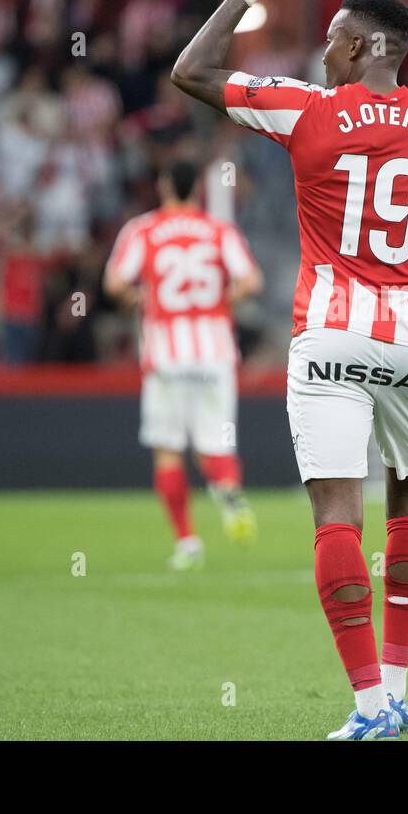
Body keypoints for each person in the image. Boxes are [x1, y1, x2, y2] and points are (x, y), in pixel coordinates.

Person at [170, 0, 408, 739]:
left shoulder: (306, 110)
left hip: (333, 337)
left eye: (334, 41)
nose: (324, 53)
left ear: (358, 50)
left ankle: (371, 704)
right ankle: (401, 692)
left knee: (337, 515)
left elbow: (191, 71)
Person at [104, 161, 263, 569]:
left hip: (166, 353)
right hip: (214, 352)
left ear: (163, 184)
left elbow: (115, 283)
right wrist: (218, 302)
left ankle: (188, 542)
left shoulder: (143, 229)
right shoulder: (219, 230)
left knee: (169, 449)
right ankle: (229, 496)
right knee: (216, 443)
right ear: (198, 190)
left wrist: (139, 299)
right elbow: (250, 281)